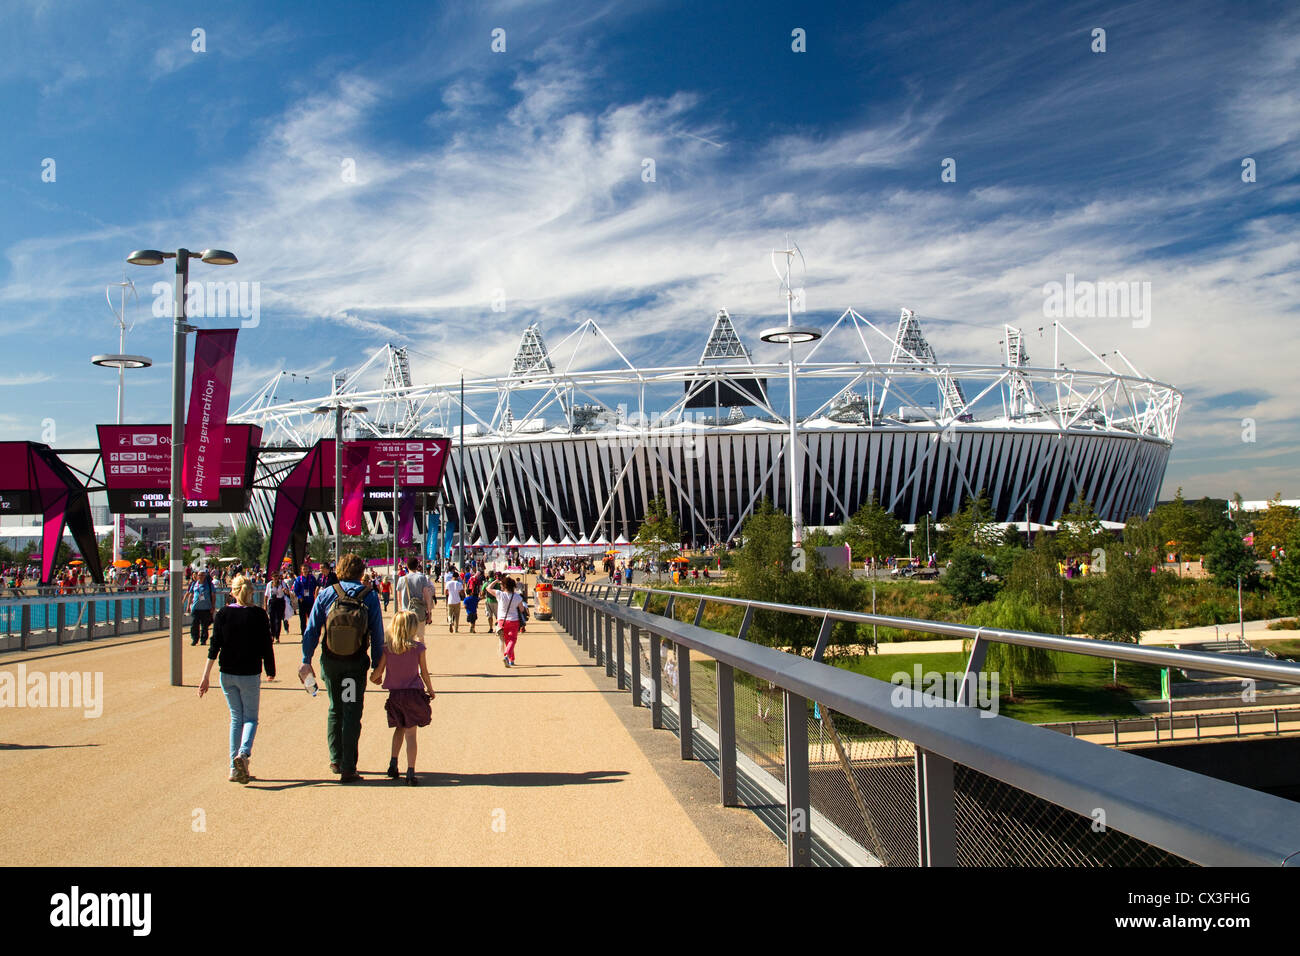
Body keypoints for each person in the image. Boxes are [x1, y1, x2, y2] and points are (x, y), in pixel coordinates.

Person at [300, 553, 385, 783]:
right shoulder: (369, 596)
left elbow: (312, 630)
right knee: (351, 711)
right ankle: (349, 767)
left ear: (339, 570)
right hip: (354, 664)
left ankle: (336, 759)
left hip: (331, 662)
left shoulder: (327, 594)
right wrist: (377, 665)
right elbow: (377, 634)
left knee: (335, 708)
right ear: (360, 573)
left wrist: (305, 659)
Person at [198, 574, 275, 784]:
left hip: (227, 674)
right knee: (250, 718)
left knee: (236, 719)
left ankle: (233, 768)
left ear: (232, 592)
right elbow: (266, 645)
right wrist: (270, 670)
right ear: (251, 592)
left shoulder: (223, 614)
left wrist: (205, 677)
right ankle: (243, 754)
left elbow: (215, 647)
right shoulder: (259, 615)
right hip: (249, 673)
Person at [369, 610, 434, 786]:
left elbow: (377, 674)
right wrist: (431, 689)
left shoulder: (388, 649)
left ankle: (393, 763)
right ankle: (411, 772)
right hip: (413, 694)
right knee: (411, 734)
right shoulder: (418, 648)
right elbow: (424, 672)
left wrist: (374, 678)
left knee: (399, 728)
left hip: (395, 695)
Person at [487, 576, 527, 668]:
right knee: (512, 640)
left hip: (502, 620)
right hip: (514, 620)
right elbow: (521, 609)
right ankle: (507, 655)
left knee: (507, 640)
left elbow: (488, 588)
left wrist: (495, 581)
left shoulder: (500, 594)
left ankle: (511, 659)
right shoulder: (517, 597)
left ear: (504, 586)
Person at [396, 558, 434, 638]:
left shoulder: (401, 579)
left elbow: (399, 598)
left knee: (408, 638)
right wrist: (429, 612)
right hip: (419, 611)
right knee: (420, 637)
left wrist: (401, 609)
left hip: (406, 612)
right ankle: (420, 651)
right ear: (417, 566)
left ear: (407, 566)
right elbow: (427, 596)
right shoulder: (422, 578)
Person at [186, 571, 216, 646]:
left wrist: (213, 606)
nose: (200, 576)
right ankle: (195, 639)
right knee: (194, 625)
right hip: (195, 608)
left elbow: (213, 595)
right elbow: (190, 595)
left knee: (205, 626)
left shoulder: (209, 584)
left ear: (205, 576)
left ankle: (203, 640)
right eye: (199, 575)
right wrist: (188, 605)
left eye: (202, 575)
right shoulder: (194, 584)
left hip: (206, 608)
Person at [293, 564, 318, 634]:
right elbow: (296, 590)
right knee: (303, 619)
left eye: (306, 569)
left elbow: (316, 587)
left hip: (310, 600)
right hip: (302, 601)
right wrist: (299, 597)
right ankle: (303, 634)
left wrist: (315, 595)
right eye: (304, 569)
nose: (305, 570)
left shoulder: (312, 578)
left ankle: (311, 633)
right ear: (301, 570)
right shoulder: (299, 579)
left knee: (311, 618)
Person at [264, 574, 288, 643]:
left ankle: (277, 636)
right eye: (274, 576)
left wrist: (285, 590)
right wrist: (265, 605)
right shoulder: (269, 584)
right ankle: (272, 635)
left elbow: (287, 592)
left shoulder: (282, 583)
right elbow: (266, 595)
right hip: (272, 602)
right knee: (271, 620)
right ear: (272, 577)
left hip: (280, 602)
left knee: (278, 620)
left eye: (276, 576)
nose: (275, 578)